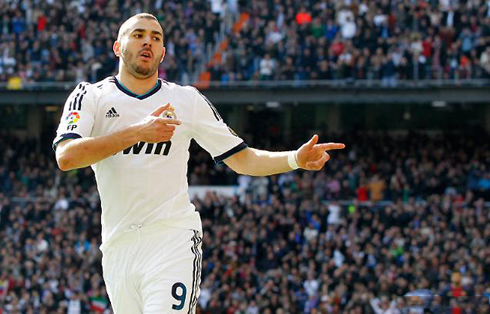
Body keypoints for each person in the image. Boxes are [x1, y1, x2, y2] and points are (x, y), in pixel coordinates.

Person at [52, 13, 345, 314]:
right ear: (117, 47)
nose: (148, 42)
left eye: (156, 38)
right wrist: (139, 132)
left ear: (163, 53)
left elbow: (242, 159)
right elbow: (67, 156)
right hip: (118, 246)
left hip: (171, 238)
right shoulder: (90, 95)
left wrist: (294, 158)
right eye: (138, 35)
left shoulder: (186, 100)